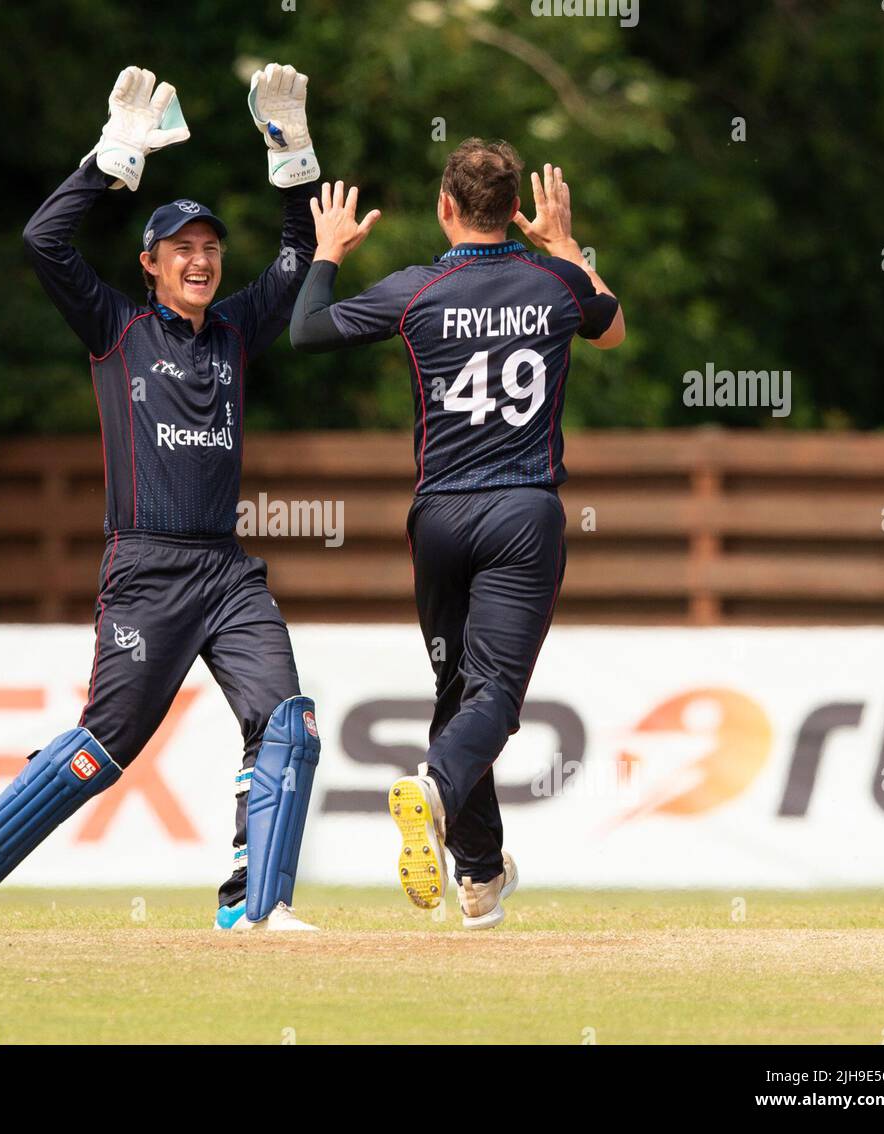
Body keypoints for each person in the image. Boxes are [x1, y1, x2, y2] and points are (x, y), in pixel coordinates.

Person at [0, 64, 325, 931]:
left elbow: (299, 257)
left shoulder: (235, 332)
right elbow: (43, 242)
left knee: (287, 721)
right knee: (104, 749)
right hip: (145, 571)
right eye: (182, 247)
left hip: (225, 571)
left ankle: (257, 908)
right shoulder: (117, 328)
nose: (201, 258)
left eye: (212, 248)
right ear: (150, 264)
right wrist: (110, 160)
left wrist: (293, 154)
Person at [290, 140, 625, 929]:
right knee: (496, 698)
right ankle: (435, 788)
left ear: (445, 208)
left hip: (438, 518)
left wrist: (328, 252)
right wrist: (566, 242)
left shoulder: (417, 289)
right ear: (515, 211)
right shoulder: (556, 282)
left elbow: (306, 332)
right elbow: (610, 330)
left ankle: (477, 876)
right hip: (521, 515)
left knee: (458, 693)